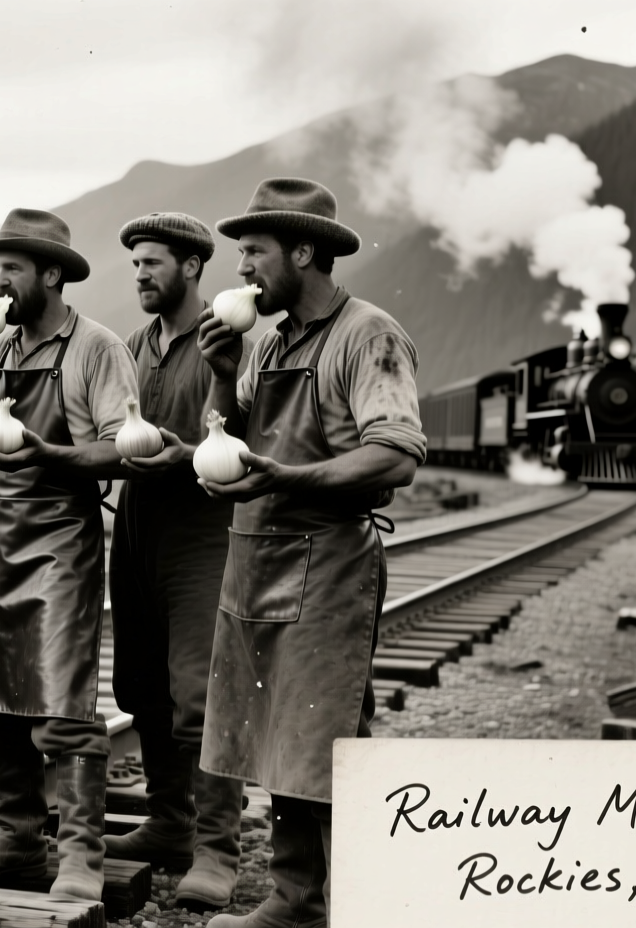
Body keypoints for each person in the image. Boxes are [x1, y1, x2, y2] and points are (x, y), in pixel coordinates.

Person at [195, 178, 424, 928]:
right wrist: (226, 377)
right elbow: (234, 441)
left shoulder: (368, 335)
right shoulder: (267, 342)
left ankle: (317, 900)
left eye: (254, 253)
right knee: (278, 738)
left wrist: (291, 477)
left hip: (327, 564)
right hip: (258, 558)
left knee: (321, 735)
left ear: (304, 250)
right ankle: (299, 899)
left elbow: (394, 455)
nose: (242, 270)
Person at [0, 208, 139, 901]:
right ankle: (18, 838)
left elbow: (123, 446)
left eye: (11, 268)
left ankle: (81, 853)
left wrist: (50, 453)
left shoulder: (97, 348)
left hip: (57, 538)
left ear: (50, 275)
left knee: (60, 704)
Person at [105, 213, 246, 910]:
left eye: (153, 262)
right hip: (135, 524)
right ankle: (168, 823)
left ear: (192, 268)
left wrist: (188, 445)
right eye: (135, 264)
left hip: (200, 529)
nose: (140, 274)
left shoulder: (225, 339)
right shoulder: (135, 344)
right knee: (141, 687)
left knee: (199, 695)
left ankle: (218, 850)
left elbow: (234, 436)